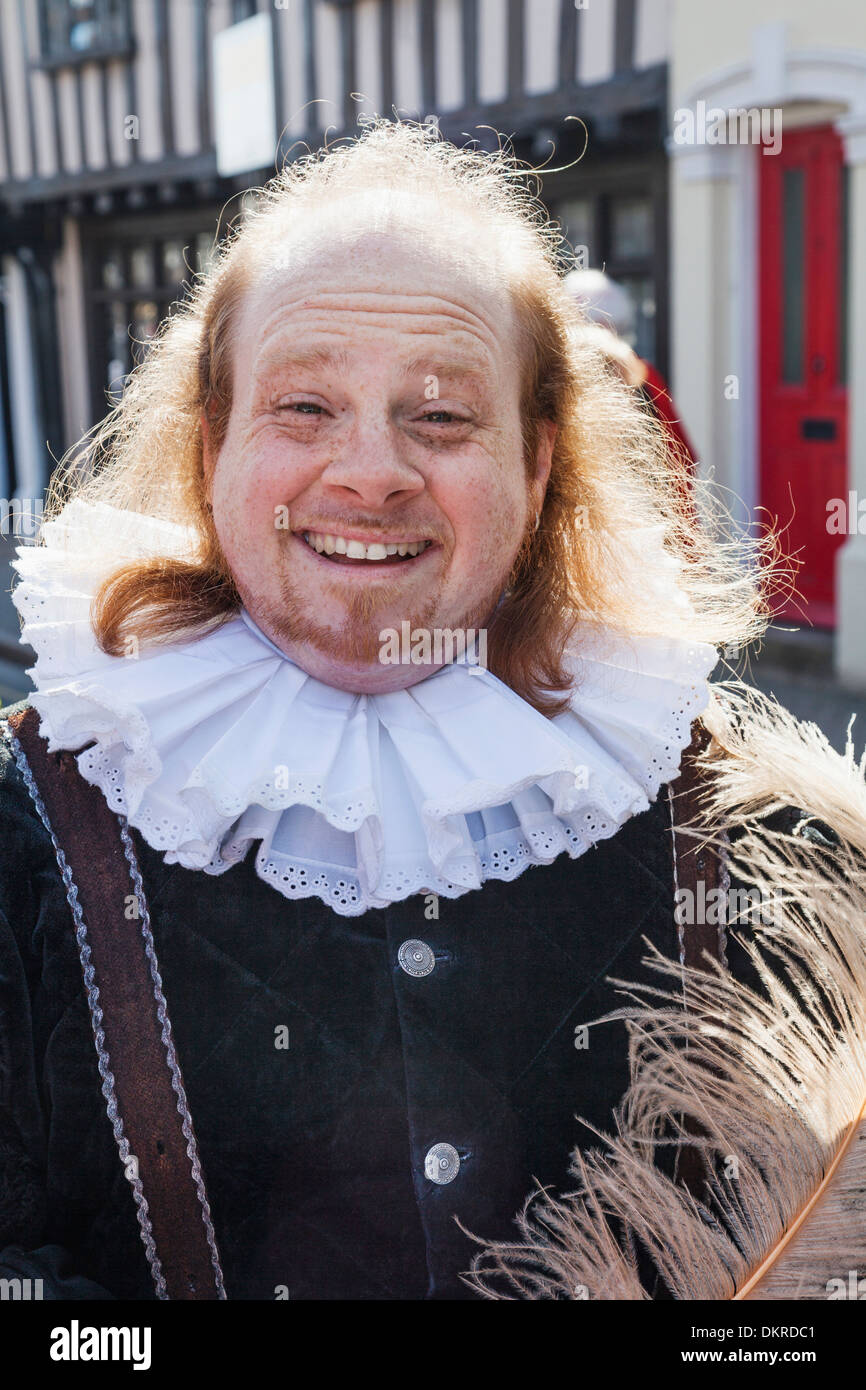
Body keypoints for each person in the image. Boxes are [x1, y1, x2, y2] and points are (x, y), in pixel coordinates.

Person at [0, 121, 863, 1302]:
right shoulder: (27, 826)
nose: (370, 471)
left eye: (442, 417)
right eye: (303, 407)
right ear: (211, 448)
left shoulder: (737, 826)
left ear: (538, 464)